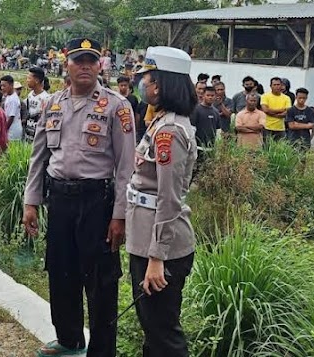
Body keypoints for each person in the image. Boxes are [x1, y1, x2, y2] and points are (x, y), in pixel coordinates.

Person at [22, 37, 135, 357]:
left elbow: (126, 167)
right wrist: (31, 202)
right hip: (59, 199)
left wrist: (119, 215)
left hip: (96, 202)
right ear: (66, 65)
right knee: (60, 270)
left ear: (100, 66)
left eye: (91, 60)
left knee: (101, 281)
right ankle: (69, 338)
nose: (85, 66)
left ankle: (102, 351)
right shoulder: (52, 103)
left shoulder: (116, 106)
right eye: (78, 60)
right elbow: (38, 157)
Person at [127, 46, 198, 357]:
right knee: (153, 330)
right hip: (147, 240)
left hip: (161, 249)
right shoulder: (160, 122)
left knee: (163, 334)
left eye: (150, 79)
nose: (144, 84)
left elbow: (168, 200)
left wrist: (157, 258)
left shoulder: (169, 131)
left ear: (163, 84)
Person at [24, 67, 51, 142]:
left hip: (38, 137)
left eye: (29, 78)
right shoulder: (30, 95)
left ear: (36, 80)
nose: (27, 80)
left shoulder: (46, 98)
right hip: (28, 133)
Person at [260, 77, 291, 141]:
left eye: (278, 84)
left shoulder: (287, 98)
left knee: (280, 148)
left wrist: (271, 112)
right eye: (274, 85)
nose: (277, 87)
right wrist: (281, 110)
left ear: (281, 85)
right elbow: (265, 110)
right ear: (270, 86)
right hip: (267, 127)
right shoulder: (265, 96)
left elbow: (288, 112)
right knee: (267, 148)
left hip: (280, 128)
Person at [116, 75, 145, 144]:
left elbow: (136, 114)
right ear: (118, 86)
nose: (123, 87)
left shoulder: (133, 99)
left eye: (125, 85)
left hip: (129, 126)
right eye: (121, 85)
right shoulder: (115, 98)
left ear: (128, 86)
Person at [1, 75, 22, 141]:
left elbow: (11, 117)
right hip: (10, 129)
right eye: (1, 86)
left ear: (11, 85)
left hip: (12, 131)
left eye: (4, 86)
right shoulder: (8, 96)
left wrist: (4, 130)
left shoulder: (13, 99)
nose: (2, 88)